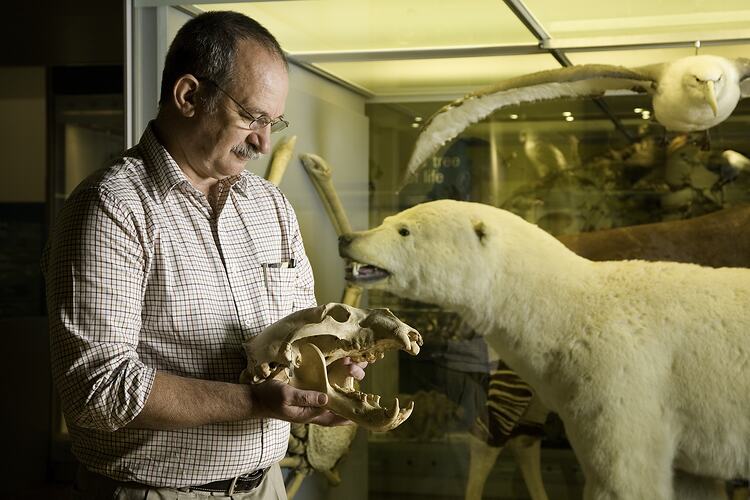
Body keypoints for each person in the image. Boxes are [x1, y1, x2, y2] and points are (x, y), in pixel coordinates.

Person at [43, 11, 365, 500]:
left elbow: (295, 343)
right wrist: (254, 402)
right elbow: (97, 391)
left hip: (268, 488)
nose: (263, 142)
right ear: (189, 96)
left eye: (273, 122)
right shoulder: (111, 207)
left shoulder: (269, 206)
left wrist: (324, 373)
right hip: (155, 491)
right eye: (252, 118)